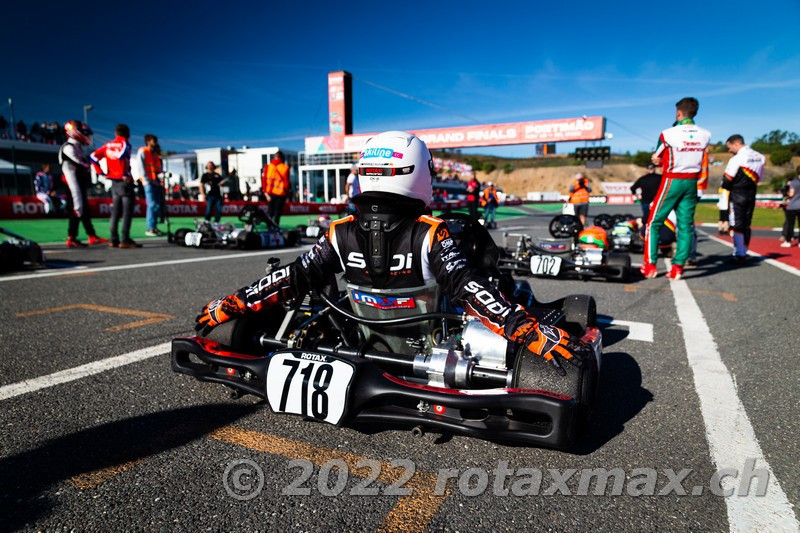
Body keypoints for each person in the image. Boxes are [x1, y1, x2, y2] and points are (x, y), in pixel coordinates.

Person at [195, 130, 592, 379]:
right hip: (433, 349)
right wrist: (524, 327)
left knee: (308, 290)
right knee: (503, 293)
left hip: (362, 340)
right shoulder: (431, 234)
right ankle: (539, 313)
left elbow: (293, 277)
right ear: (419, 173)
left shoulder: (338, 232)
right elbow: (470, 289)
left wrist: (236, 302)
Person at [641, 97, 711, 280]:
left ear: (678, 113)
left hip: (672, 180)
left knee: (653, 223)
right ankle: (678, 268)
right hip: (692, 182)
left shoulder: (668, 133)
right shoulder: (706, 134)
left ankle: (650, 266)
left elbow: (657, 157)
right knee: (686, 226)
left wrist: (657, 160)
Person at [59, 121, 108, 247]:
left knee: (85, 209)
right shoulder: (68, 147)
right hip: (72, 184)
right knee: (76, 208)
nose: (87, 137)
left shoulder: (78, 148)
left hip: (80, 183)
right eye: (84, 133)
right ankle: (72, 237)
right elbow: (80, 166)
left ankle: (91, 235)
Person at [91, 124, 140, 248]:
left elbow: (93, 157)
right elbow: (122, 158)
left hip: (113, 181)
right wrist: (124, 174)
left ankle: (114, 239)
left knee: (115, 211)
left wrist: (101, 173)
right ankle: (125, 239)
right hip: (124, 181)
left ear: (115, 134)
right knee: (127, 212)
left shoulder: (107, 146)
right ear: (128, 135)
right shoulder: (125, 145)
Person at [720, 135, 765, 262]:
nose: (729, 151)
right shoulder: (760, 157)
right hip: (751, 193)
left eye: (729, 148)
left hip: (737, 194)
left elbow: (727, 180)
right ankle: (744, 250)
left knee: (736, 224)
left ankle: (739, 253)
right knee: (747, 223)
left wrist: (726, 188)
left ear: (735, 144)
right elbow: (760, 179)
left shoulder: (737, 158)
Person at [133, 133, 165, 236]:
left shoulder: (155, 154)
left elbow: (157, 168)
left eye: (155, 141)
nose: (155, 143)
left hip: (156, 182)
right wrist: (145, 180)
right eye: (153, 141)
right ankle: (150, 228)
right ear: (148, 141)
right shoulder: (143, 151)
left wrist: (160, 177)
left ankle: (154, 227)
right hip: (148, 183)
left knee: (156, 205)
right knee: (152, 205)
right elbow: (141, 167)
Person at [262, 151, 290, 226]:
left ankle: (269, 228)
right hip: (280, 194)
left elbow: (264, 180)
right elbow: (286, 183)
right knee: (277, 213)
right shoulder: (285, 167)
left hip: (270, 193)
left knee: (270, 212)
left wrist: (266, 194)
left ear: (275, 157)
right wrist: (287, 194)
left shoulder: (268, 167)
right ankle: (276, 228)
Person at [781, 167, 800, 247]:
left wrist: (786, 194)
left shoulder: (794, 182)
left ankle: (788, 241)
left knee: (790, 224)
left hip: (793, 206)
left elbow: (791, 194)